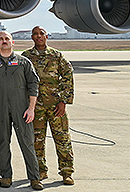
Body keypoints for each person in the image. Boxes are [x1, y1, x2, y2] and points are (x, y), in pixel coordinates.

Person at [0, 31, 43, 190]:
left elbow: (33, 85)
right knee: (2, 143)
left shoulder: (23, 62)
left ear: (12, 42)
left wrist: (31, 109)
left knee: (27, 143)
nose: (4, 41)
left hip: (21, 109)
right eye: (1, 39)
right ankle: (6, 176)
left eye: (7, 39)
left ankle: (34, 178)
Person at [22, 26, 75, 186]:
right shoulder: (26, 57)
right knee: (37, 141)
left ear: (47, 36)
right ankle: (40, 171)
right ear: (32, 37)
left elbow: (68, 75)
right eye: (35, 34)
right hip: (35, 107)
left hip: (55, 106)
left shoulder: (56, 56)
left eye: (42, 34)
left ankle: (66, 172)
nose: (39, 36)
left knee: (62, 139)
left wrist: (64, 101)